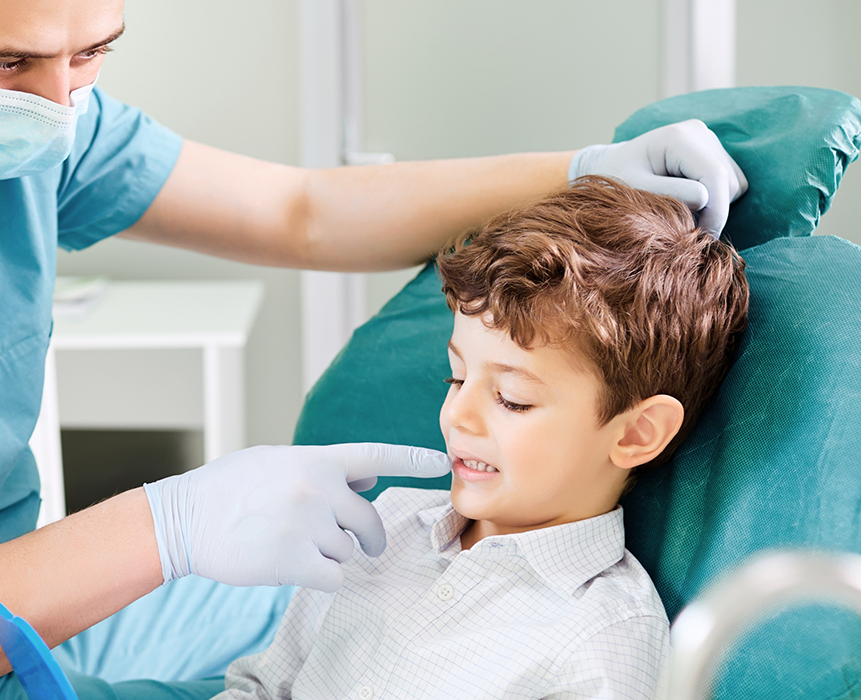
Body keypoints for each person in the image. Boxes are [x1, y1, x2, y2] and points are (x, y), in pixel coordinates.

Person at [0, 0, 746, 697]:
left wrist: (575, 170)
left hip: (23, 620)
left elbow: (299, 210)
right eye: (10, 62)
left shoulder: (26, 120)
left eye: (94, 54)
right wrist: (168, 525)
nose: (57, 104)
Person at [218, 177, 750, 699]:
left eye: (512, 398)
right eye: (457, 376)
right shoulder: (385, 526)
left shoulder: (604, 638)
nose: (457, 416)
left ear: (637, 432)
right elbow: (260, 687)